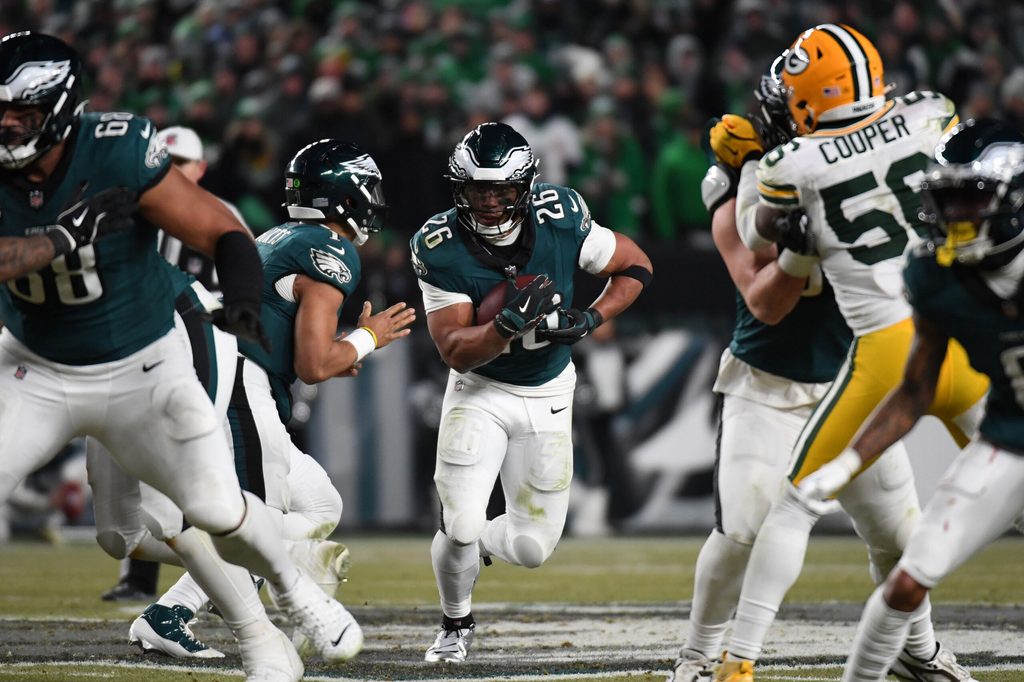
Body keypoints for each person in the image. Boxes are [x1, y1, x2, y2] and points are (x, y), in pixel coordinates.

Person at [0, 31, 360, 681]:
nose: (5, 124)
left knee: (219, 509)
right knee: (124, 534)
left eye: (19, 113)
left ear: (57, 108)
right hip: (36, 364)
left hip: (144, 361)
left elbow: (221, 228)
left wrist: (246, 298)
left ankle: (285, 601)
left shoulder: (114, 150)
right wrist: (58, 238)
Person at [708, 24, 990, 682]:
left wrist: (746, 170)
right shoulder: (928, 115)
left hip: (886, 354)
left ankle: (738, 661)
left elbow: (761, 236)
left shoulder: (787, 167)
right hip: (955, 332)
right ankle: (912, 654)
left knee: (798, 504)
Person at [124, 139, 415, 659]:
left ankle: (181, 601)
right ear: (344, 195)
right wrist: (370, 336)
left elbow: (307, 351)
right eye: (365, 190)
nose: (372, 201)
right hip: (241, 383)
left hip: (233, 378)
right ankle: (211, 609)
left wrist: (338, 351)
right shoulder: (329, 248)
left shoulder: (282, 236)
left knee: (320, 503)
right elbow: (312, 365)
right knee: (253, 519)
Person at [409, 122, 652, 662]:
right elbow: (453, 348)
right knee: (464, 521)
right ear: (459, 188)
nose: (490, 202)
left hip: (548, 391)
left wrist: (591, 316)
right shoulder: (440, 244)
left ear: (526, 187)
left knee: (531, 547)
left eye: (502, 190)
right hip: (480, 390)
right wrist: (504, 327)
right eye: (478, 189)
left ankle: (472, 546)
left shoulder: (561, 216)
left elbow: (635, 265)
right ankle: (455, 623)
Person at [797, 119, 1024, 682]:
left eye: (970, 200)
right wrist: (850, 461)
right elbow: (916, 388)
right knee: (906, 580)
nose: (955, 216)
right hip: (1008, 440)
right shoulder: (936, 275)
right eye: (947, 200)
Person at [669, 59, 854, 681]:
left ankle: (919, 648)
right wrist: (758, 180)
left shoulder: (867, 161)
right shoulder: (742, 176)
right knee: (744, 525)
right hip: (768, 377)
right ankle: (699, 655)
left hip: (857, 381)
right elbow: (765, 298)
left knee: (900, 538)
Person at [100, 125, 245, 604]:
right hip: (137, 349)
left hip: (205, 344)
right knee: (134, 470)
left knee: (202, 462)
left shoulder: (221, 218)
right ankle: (142, 576)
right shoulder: (127, 214)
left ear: (200, 168)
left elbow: (243, 286)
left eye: (180, 163)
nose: (172, 171)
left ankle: (245, 565)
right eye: (165, 161)